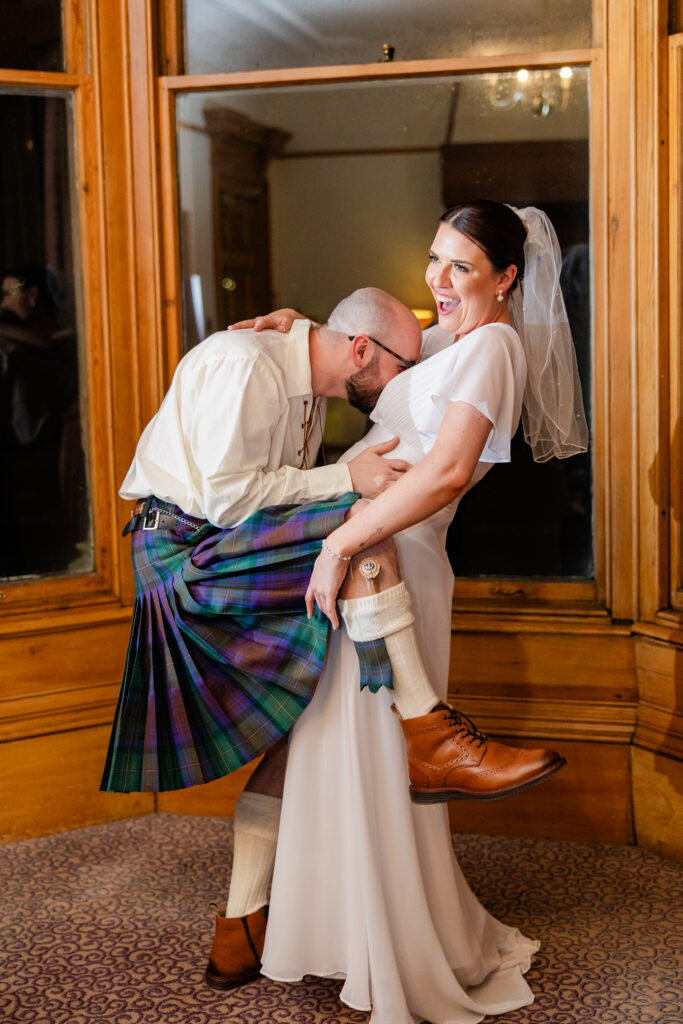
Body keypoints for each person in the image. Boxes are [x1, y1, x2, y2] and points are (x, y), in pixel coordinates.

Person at [232, 202, 588, 1022]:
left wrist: (340, 540)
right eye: (435, 259)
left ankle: (394, 948)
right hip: (358, 559)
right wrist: (299, 328)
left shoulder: (496, 346)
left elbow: (448, 471)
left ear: (505, 279)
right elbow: (370, 344)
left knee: (377, 764)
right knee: (334, 752)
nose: (438, 280)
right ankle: (339, 934)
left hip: (392, 562)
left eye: (462, 268)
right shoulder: (447, 338)